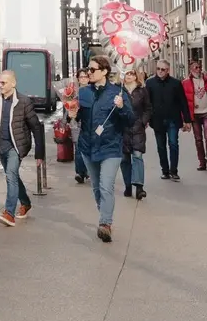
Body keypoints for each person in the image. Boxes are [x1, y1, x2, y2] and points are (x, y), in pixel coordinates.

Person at [68, 54, 134, 243]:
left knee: (106, 186)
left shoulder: (117, 92)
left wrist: (122, 107)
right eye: (88, 69)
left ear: (104, 71)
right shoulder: (83, 92)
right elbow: (75, 117)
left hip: (110, 147)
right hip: (88, 146)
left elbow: (130, 120)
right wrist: (72, 114)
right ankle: (105, 214)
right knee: (97, 188)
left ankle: (105, 223)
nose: (88, 72)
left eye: (92, 69)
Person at [0, 69, 45, 227]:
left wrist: (40, 154)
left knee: (10, 176)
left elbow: (36, 127)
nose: (0, 85)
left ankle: (9, 214)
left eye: (3, 83)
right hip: (0, 145)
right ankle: (25, 203)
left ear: (13, 84)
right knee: (13, 176)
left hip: (16, 146)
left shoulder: (23, 101)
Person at [146, 59, 191, 181]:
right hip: (157, 120)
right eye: (158, 69)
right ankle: (165, 171)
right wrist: (147, 119)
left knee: (173, 144)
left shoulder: (176, 83)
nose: (160, 71)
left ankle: (174, 171)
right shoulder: (149, 83)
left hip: (173, 119)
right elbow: (147, 103)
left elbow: (183, 102)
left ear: (168, 70)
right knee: (161, 146)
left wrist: (187, 120)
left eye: (163, 69)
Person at [120, 68, 151, 201]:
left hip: (138, 128)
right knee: (124, 158)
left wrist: (143, 121)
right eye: (127, 73)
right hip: (123, 128)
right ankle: (128, 185)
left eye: (131, 74)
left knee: (137, 156)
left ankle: (139, 187)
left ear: (136, 76)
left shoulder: (142, 91)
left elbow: (148, 108)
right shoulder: (119, 91)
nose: (129, 76)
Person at [181, 60, 207, 171]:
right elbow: (183, 101)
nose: (198, 69)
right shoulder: (186, 83)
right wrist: (184, 119)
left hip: (206, 113)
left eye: (199, 67)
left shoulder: (205, 79)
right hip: (195, 115)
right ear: (191, 69)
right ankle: (202, 162)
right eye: (196, 67)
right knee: (198, 139)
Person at [73, 69, 90, 184]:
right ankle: (79, 172)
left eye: (85, 77)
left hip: (88, 123)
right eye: (81, 77)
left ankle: (87, 171)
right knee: (78, 148)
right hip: (76, 123)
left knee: (87, 148)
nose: (83, 79)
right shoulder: (73, 92)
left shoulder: (92, 91)